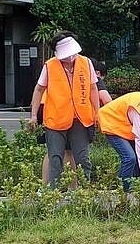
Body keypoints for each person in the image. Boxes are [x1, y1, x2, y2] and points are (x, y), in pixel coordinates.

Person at [29, 31, 100, 187]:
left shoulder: (86, 63)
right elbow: (39, 89)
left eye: (72, 54)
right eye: (66, 55)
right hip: (55, 119)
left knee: (82, 158)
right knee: (55, 157)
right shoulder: (50, 66)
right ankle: (52, 193)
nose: (70, 58)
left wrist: (97, 112)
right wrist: (33, 115)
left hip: (80, 118)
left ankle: (83, 191)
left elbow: (93, 89)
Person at [39, 58, 113, 185]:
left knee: (59, 153)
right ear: (98, 73)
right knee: (63, 154)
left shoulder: (60, 68)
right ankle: (71, 187)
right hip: (58, 114)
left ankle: (55, 187)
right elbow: (107, 100)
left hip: (51, 110)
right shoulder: (91, 77)